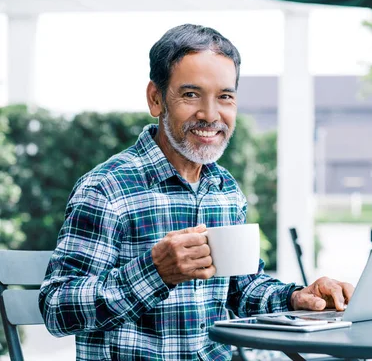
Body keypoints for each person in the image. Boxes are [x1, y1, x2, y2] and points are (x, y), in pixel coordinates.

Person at [39, 24, 354, 361]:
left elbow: (242, 289)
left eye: (225, 96)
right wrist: (154, 272)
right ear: (156, 98)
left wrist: (297, 298)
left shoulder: (225, 190)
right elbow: (57, 309)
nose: (210, 115)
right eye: (191, 94)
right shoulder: (107, 189)